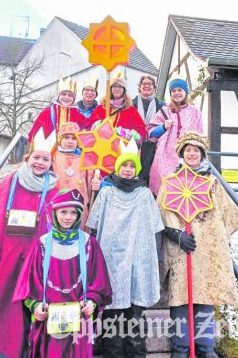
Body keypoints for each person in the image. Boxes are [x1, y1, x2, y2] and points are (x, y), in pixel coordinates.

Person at [0, 128, 59, 358]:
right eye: (36, 157)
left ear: (51, 163)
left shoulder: (54, 189)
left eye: (45, 159)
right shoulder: (12, 181)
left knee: (31, 311)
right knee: (4, 308)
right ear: (28, 158)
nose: (40, 163)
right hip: (8, 259)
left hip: (36, 262)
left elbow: (59, 222)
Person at [157, 131, 238, 358]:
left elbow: (228, 215)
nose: (192, 154)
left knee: (205, 295)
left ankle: (205, 347)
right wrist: (175, 233)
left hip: (205, 249)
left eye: (196, 150)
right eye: (188, 150)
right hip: (181, 248)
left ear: (202, 154)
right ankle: (181, 347)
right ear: (182, 154)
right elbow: (161, 213)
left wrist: (216, 238)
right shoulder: (171, 182)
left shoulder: (213, 183)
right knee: (180, 297)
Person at [86, 139, 164, 358]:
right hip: (111, 260)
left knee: (135, 317)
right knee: (112, 316)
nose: (128, 170)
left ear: (137, 170)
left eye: (132, 166)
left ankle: (136, 354)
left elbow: (155, 228)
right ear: (118, 167)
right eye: (124, 165)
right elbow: (93, 226)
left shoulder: (145, 194)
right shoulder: (106, 193)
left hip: (137, 260)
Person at [13, 189, 112, 358]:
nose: (68, 217)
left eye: (73, 212)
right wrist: (35, 305)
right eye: (63, 212)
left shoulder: (90, 244)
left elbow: (99, 281)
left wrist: (93, 302)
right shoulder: (42, 244)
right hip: (49, 320)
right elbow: (28, 282)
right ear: (54, 213)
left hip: (79, 319)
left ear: (80, 214)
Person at [148, 78, 203, 196]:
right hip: (165, 158)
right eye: (173, 91)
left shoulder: (195, 112)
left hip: (188, 157)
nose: (176, 93)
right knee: (165, 192)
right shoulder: (165, 110)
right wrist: (163, 127)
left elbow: (201, 136)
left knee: (186, 193)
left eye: (180, 90)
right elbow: (151, 133)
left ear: (185, 92)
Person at [52, 122, 93, 227]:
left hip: (79, 205)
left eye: (74, 138)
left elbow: (91, 181)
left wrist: (96, 183)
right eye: (66, 137)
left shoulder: (85, 159)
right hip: (57, 204)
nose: (70, 141)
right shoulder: (53, 158)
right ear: (60, 140)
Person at [87, 71, 146, 143]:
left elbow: (141, 133)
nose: (117, 89)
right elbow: (88, 129)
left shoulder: (131, 111)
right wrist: (96, 125)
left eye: (120, 86)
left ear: (124, 90)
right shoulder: (100, 108)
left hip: (120, 150)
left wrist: (128, 134)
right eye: (114, 86)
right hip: (100, 147)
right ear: (110, 89)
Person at [28, 76, 87, 143]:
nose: (66, 97)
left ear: (73, 99)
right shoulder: (47, 112)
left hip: (70, 151)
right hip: (49, 150)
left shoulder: (79, 116)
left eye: (70, 95)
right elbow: (33, 133)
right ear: (58, 96)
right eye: (64, 94)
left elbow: (86, 134)